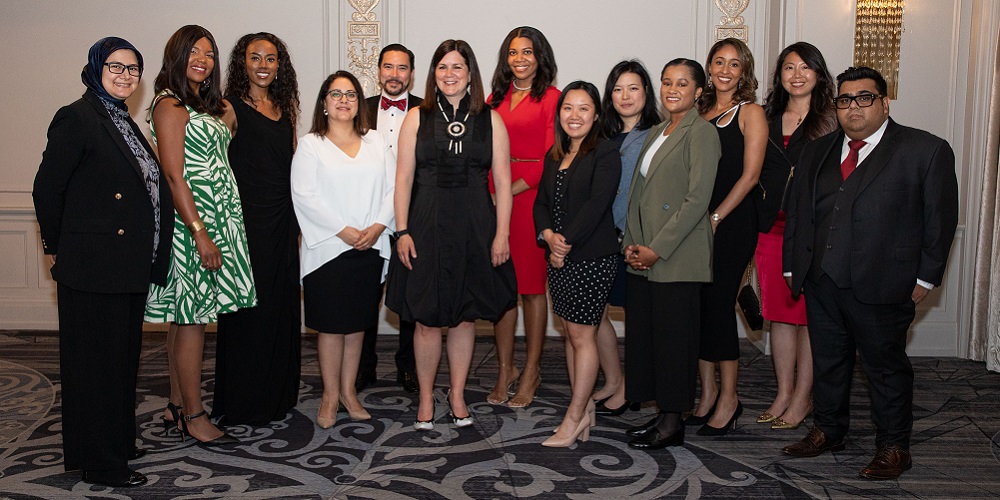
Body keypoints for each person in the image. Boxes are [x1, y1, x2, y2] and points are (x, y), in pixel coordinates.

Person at [781, 66, 958, 480]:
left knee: (885, 368)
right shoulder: (817, 150)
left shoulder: (925, 150)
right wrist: (794, 268)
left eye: (864, 98)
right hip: (822, 280)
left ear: (884, 102)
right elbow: (799, 216)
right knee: (828, 361)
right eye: (845, 100)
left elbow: (940, 221)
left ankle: (894, 446)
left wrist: (925, 279)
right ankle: (828, 430)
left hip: (884, 283)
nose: (853, 107)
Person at [33, 36, 173, 488]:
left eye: (133, 69)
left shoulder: (123, 120)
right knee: (95, 368)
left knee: (119, 363)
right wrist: (57, 246)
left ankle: (115, 441)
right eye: (116, 67)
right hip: (92, 267)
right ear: (96, 68)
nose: (125, 76)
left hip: (125, 266)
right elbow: (46, 189)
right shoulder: (77, 117)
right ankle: (102, 462)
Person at [386, 39, 517, 432]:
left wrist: (502, 235)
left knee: (464, 318)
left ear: (470, 74)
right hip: (425, 226)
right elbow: (403, 179)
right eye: (442, 67)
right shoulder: (416, 117)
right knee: (426, 319)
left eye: (457, 67)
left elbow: (505, 184)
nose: (449, 74)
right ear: (433, 74)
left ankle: (457, 394)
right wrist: (402, 231)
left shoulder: (491, 119)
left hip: (476, 225)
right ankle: (426, 396)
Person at [145, 25, 255, 446]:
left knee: (183, 318)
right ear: (176, 55)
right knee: (192, 320)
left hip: (222, 218)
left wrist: (222, 115)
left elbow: (220, 155)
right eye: (193, 51)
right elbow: (174, 174)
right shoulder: (169, 105)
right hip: (194, 222)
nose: (203, 59)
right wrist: (200, 233)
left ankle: (176, 403)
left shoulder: (214, 107)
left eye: (209, 53)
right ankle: (194, 414)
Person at [622, 59, 720, 449]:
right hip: (644, 254)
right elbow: (639, 194)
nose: (672, 89)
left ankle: (673, 422)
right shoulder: (659, 131)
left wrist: (656, 249)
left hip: (676, 255)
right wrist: (631, 244)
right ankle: (663, 413)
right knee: (651, 340)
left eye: (682, 83)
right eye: (666, 82)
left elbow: (697, 200)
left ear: (699, 91)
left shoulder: (703, 133)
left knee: (676, 342)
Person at [291, 70, 395, 429]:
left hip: (371, 245)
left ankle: (350, 393)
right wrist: (344, 231)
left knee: (357, 327)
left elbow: (394, 189)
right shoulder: (311, 145)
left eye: (350, 94)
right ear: (324, 103)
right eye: (335, 94)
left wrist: (378, 226)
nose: (344, 100)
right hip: (328, 249)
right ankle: (330, 395)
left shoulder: (377, 142)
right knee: (332, 328)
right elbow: (304, 195)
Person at [212, 32, 302, 426]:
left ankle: (276, 394)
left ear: (279, 65)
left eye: (271, 59)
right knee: (248, 309)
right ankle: (244, 400)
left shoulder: (286, 108)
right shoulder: (229, 107)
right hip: (246, 222)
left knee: (281, 305)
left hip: (284, 220)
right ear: (242, 63)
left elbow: (291, 165)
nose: (263, 65)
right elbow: (211, 162)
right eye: (255, 58)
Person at [754, 42, 837, 431]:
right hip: (770, 230)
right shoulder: (765, 117)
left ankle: (804, 398)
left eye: (806, 67)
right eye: (789, 67)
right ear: (779, 75)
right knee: (780, 317)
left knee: (809, 318)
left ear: (818, 74)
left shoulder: (832, 120)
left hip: (813, 232)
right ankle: (783, 392)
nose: (797, 74)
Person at [533, 81, 621, 446]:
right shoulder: (555, 154)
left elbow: (596, 206)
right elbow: (540, 203)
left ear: (596, 115)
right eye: (568, 108)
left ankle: (573, 417)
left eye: (584, 108)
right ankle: (583, 411)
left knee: (583, 336)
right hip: (559, 258)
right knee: (570, 335)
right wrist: (548, 235)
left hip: (591, 258)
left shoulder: (605, 152)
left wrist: (563, 243)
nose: (575, 115)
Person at [688, 38, 766, 436]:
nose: (725, 69)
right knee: (699, 308)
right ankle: (707, 395)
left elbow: (750, 176)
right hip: (694, 223)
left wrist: (716, 216)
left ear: (743, 71)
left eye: (734, 64)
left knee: (718, 307)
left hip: (731, 222)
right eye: (718, 61)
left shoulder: (750, 112)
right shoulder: (698, 112)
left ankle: (730, 398)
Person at [487, 26, 560, 408]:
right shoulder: (493, 97)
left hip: (531, 201)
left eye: (527, 52)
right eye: (513, 52)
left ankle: (531, 369)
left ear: (539, 56)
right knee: (502, 291)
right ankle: (505, 369)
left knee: (531, 290)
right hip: (494, 201)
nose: (519, 59)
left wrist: (507, 190)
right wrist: (492, 193)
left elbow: (552, 156)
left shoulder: (551, 97)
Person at [591, 59, 661, 417]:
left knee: (637, 316)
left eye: (633, 88)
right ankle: (613, 379)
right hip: (601, 237)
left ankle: (634, 387)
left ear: (646, 92)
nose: (625, 95)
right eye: (617, 89)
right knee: (597, 312)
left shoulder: (659, 134)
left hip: (636, 237)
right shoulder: (600, 133)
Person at [358, 43, 423, 394]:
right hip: (368, 215)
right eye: (388, 67)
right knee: (365, 294)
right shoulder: (361, 109)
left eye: (402, 68)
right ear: (379, 70)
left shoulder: (426, 112)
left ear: (412, 74)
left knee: (410, 297)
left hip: (412, 216)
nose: (394, 75)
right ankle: (363, 367)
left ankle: (408, 367)